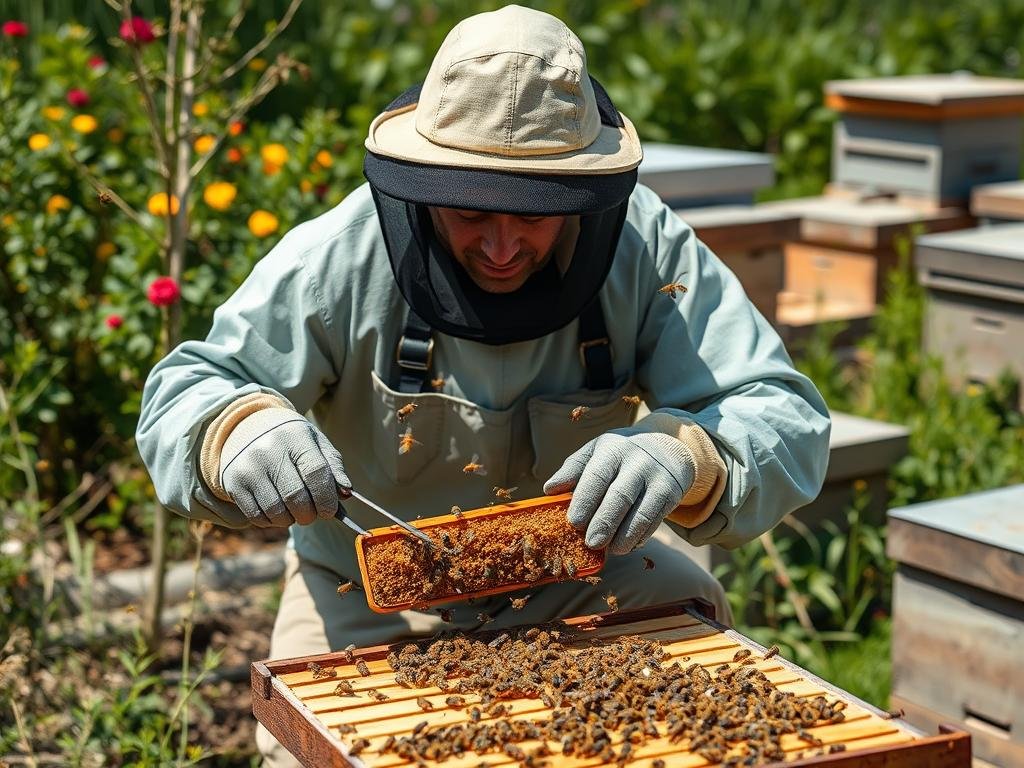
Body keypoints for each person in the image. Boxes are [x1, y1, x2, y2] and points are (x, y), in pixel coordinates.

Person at [136, 5, 830, 765]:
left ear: (585, 196)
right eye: (469, 212)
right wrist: (236, 430)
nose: (502, 247)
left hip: (577, 583)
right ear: (421, 185)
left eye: (537, 217)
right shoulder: (341, 254)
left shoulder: (645, 247)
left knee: (696, 705)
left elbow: (778, 410)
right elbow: (193, 387)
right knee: (304, 750)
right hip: (365, 598)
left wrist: (688, 455)